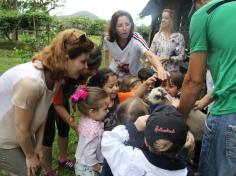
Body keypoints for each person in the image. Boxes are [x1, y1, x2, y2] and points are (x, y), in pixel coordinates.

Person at [0, 29, 94, 176]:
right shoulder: (32, 83)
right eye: (82, 61)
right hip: (4, 139)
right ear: (65, 58)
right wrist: (30, 155)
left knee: (36, 169)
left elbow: (42, 114)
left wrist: (38, 145)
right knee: (30, 172)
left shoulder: (55, 79)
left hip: (18, 134)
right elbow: (21, 127)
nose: (86, 67)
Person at [178, 0, 236, 175]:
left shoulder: (206, 13)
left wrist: (178, 119)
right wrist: (207, 98)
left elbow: (194, 81)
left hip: (229, 113)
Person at [41, 45, 102, 176]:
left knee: (63, 128)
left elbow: (80, 86)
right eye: (93, 69)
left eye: (97, 68)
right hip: (47, 100)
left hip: (61, 98)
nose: (95, 72)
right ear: (83, 64)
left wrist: (77, 97)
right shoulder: (60, 74)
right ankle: (48, 170)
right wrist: (75, 124)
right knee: (48, 135)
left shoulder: (83, 72)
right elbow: (56, 104)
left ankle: (63, 159)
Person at [102, 105, 191, 176]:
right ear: (183, 145)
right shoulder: (186, 173)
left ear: (146, 141)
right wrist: (184, 152)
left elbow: (109, 140)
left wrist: (134, 127)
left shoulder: (130, 158)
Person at [104, 10, 167, 80]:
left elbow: (149, 55)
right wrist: (107, 69)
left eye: (127, 24)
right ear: (114, 27)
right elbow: (107, 51)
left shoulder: (136, 39)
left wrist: (160, 68)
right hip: (115, 77)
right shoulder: (108, 39)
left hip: (133, 79)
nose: (124, 28)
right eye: (119, 25)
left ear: (131, 24)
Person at [72, 87, 110, 176]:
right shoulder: (94, 131)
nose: (108, 111)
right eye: (105, 109)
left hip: (81, 164)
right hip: (88, 168)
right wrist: (98, 168)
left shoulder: (86, 118)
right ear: (92, 112)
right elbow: (89, 154)